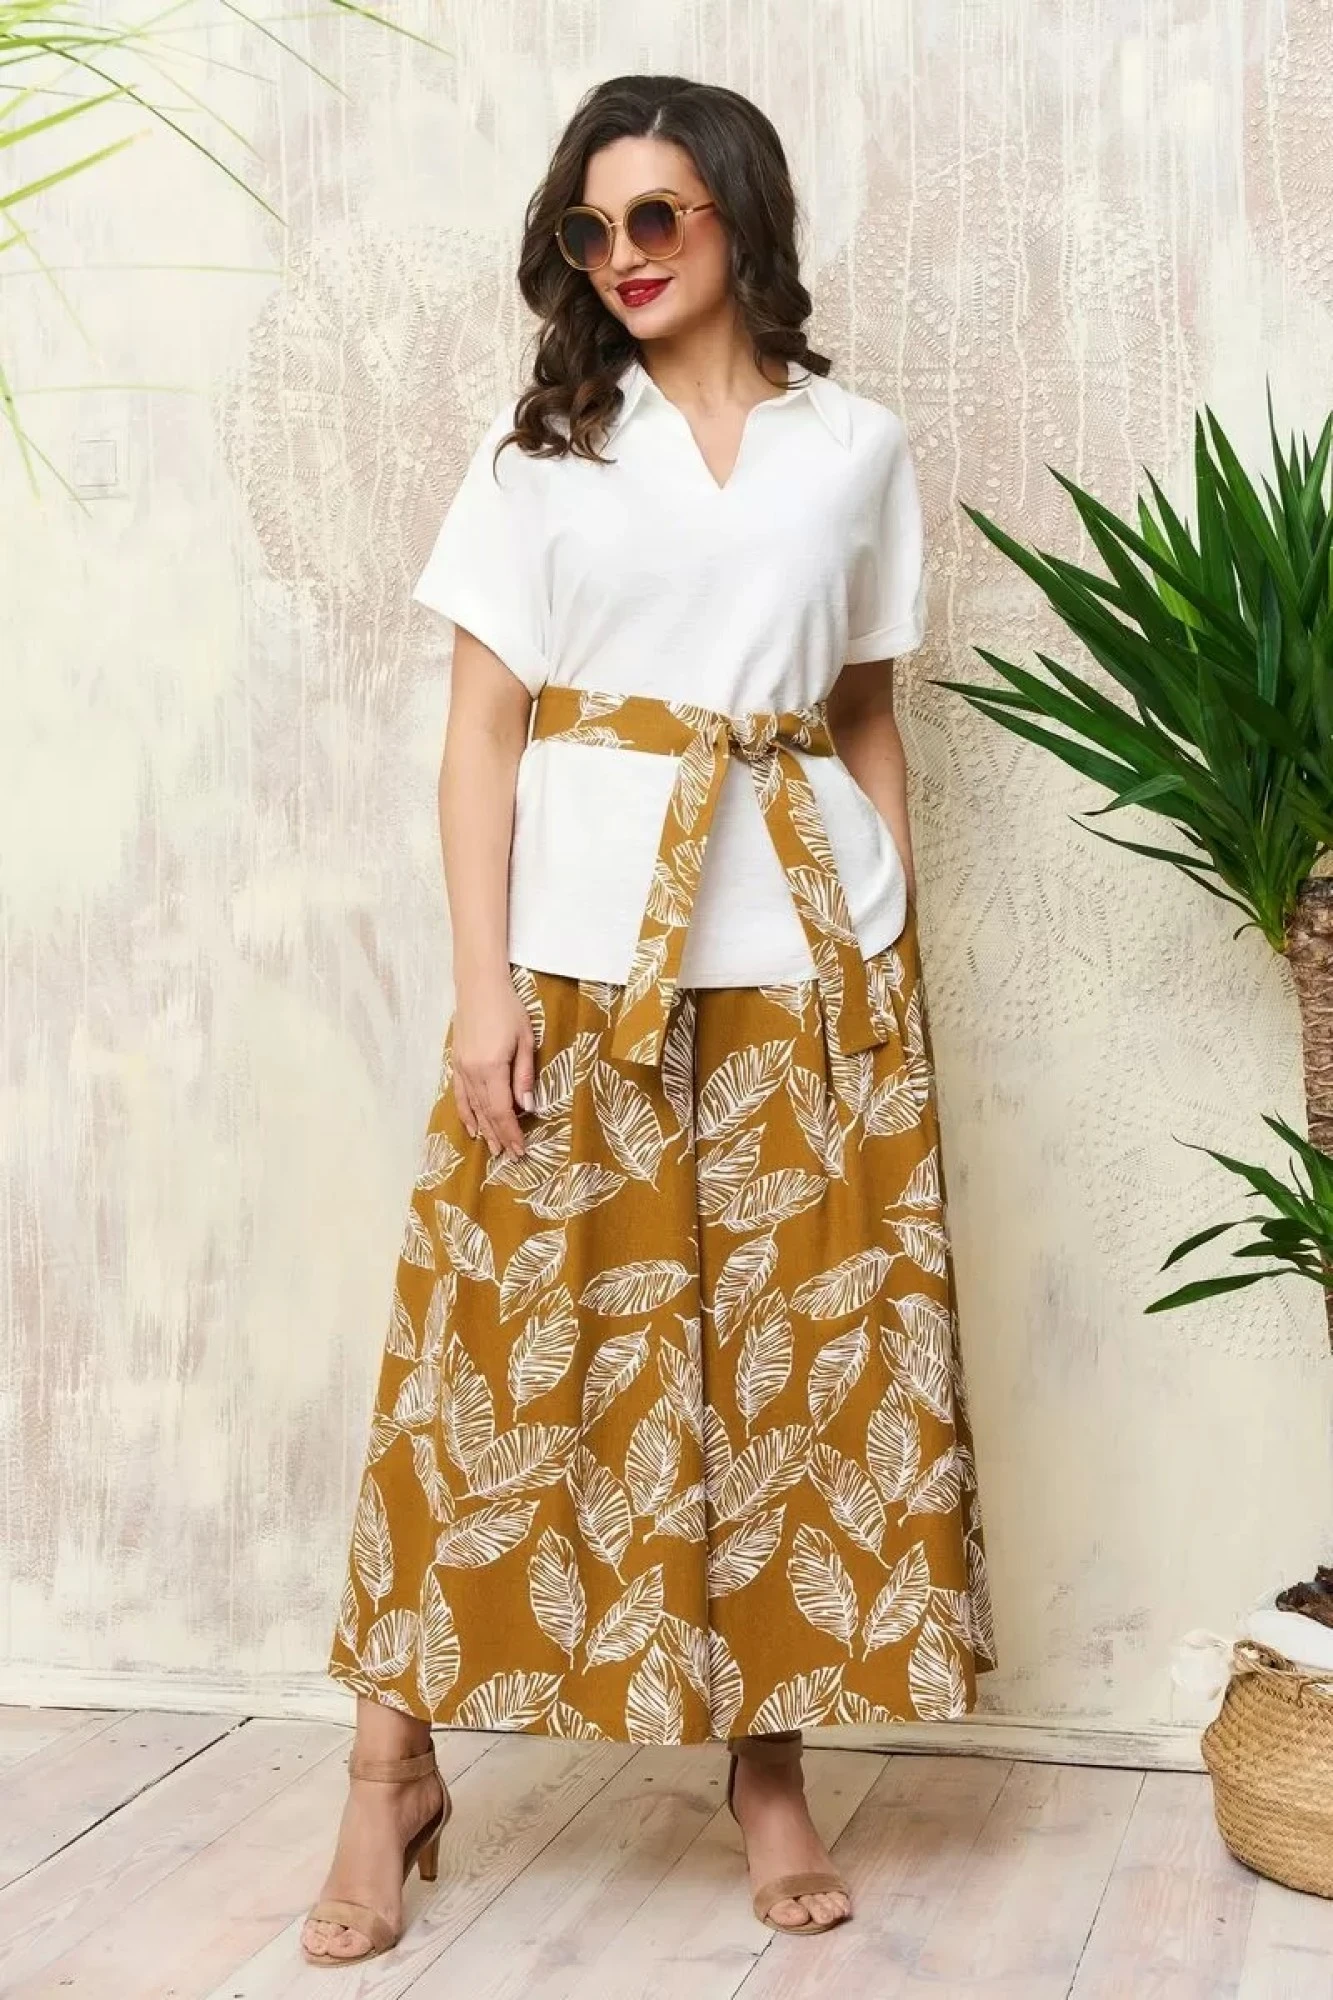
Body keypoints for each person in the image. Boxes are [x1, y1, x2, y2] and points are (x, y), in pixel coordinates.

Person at [301, 71, 996, 1969]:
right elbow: (483, 732)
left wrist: (893, 955)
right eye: (591, 227)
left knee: (783, 1380)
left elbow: (863, 715)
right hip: (582, 959)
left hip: (807, 959)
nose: (623, 255)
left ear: (739, 219)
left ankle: (769, 1778)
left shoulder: (855, 449)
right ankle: (386, 1771)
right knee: (487, 1363)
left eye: (659, 216)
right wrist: (481, 985)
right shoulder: (541, 451)